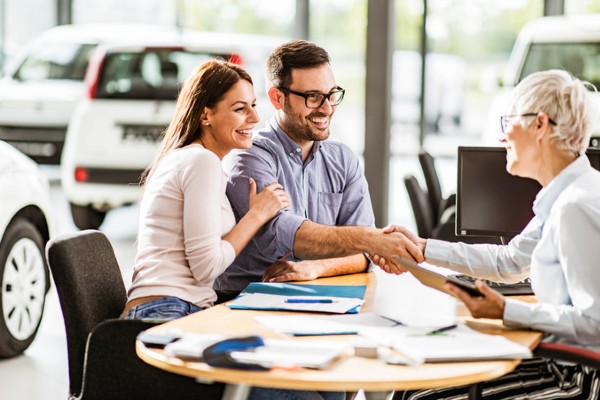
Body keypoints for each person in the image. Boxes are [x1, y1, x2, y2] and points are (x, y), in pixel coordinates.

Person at [375, 70, 600, 399]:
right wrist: (423, 249)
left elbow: (595, 324)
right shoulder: (567, 194)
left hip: (576, 379)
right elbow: (510, 261)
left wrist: (506, 311)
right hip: (558, 360)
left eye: (508, 121)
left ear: (540, 124)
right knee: (413, 386)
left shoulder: (574, 206)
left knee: (418, 395)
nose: (501, 136)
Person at [214, 40, 422, 298]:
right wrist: (372, 238)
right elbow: (282, 235)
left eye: (331, 95)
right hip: (246, 299)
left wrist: (316, 267)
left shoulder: (343, 160)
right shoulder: (249, 156)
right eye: (313, 97)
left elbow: (363, 254)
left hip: (320, 298)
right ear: (277, 98)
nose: (327, 108)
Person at [123, 59, 290, 320]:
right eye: (239, 108)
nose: (255, 117)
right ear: (205, 115)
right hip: (167, 310)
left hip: (172, 306)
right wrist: (257, 215)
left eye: (254, 106)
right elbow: (207, 267)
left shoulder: (190, 159)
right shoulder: (202, 162)